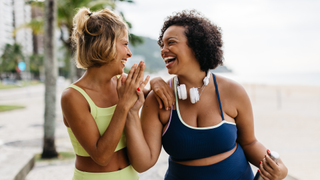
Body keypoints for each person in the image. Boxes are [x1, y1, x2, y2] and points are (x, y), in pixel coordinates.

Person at [125, 10, 288, 180]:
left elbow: (249, 142)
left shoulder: (234, 92)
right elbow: (143, 163)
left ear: (196, 45)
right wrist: (131, 112)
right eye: (162, 45)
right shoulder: (157, 98)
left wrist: (279, 169)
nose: (163, 50)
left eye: (171, 42)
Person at [61, 8, 173, 180]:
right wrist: (123, 105)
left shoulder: (123, 83)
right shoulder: (73, 97)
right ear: (105, 44)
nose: (129, 53)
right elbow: (101, 156)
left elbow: (151, 94)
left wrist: (157, 81)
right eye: (125, 44)